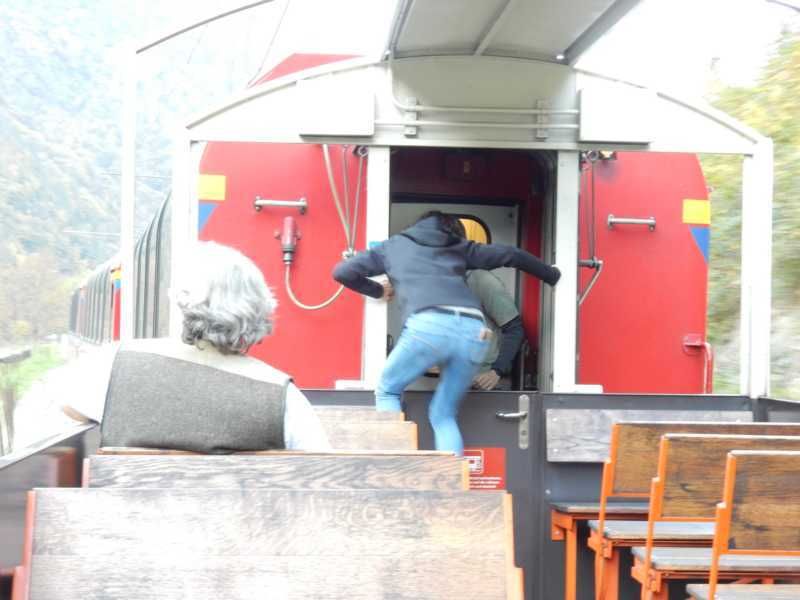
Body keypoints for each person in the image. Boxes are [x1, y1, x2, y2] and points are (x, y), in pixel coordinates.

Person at [60, 241, 330, 453]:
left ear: (182, 302)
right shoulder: (282, 396)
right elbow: (320, 465)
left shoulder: (117, 364)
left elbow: (71, 406)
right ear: (258, 311)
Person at [332, 211, 560, 455]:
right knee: (443, 414)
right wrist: (552, 275)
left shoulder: (393, 246)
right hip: (474, 330)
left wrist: (377, 290)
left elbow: (342, 272)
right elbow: (511, 254)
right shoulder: (458, 247)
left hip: (428, 324)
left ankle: (393, 467)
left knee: (388, 390)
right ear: (452, 232)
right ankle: (454, 476)